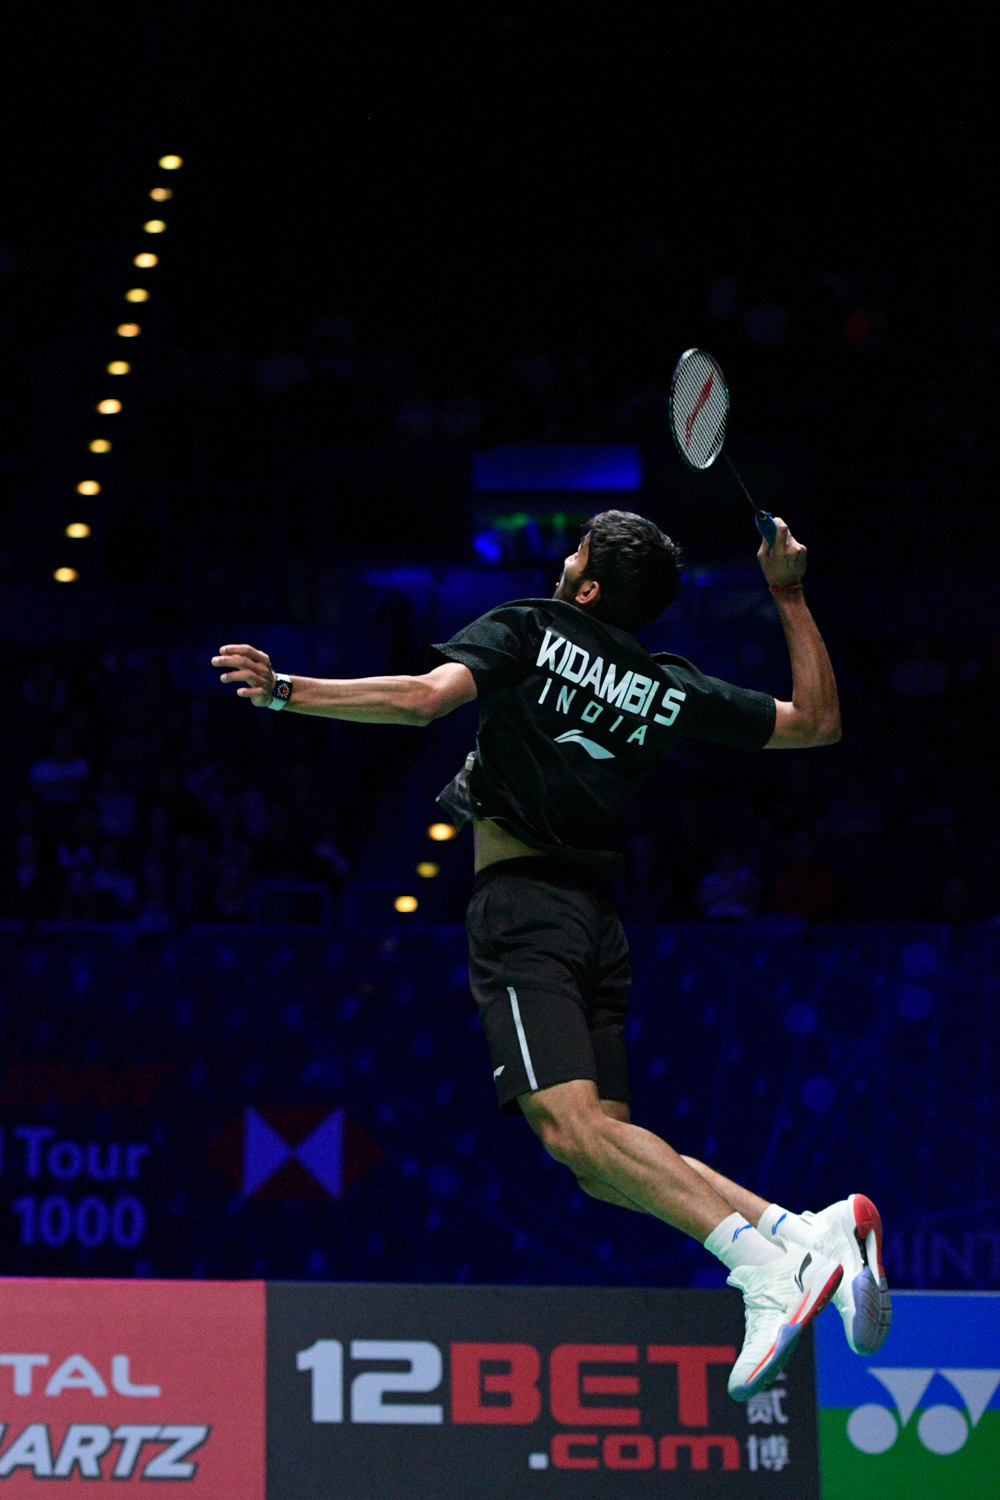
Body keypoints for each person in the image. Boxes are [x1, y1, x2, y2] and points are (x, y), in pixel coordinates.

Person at [211, 509, 891, 1401]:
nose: (562, 559)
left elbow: (424, 700)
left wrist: (283, 691)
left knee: (570, 1130)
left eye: (575, 552)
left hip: (522, 909)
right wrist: (789, 592)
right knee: (601, 1159)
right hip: (596, 923)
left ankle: (767, 1273)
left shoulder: (530, 625)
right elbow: (817, 723)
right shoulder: (668, 683)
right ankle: (805, 1231)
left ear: (591, 586)